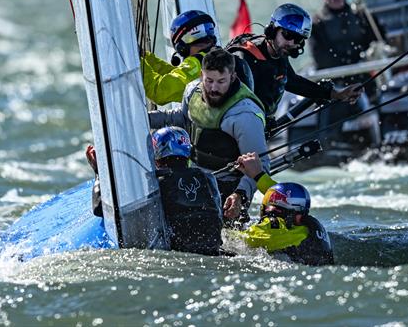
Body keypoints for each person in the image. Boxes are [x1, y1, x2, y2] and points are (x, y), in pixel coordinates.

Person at [148, 48, 268, 223]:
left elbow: (261, 163)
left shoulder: (245, 115)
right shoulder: (192, 91)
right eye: (209, 80)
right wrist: (142, 119)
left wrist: (240, 195)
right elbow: (180, 118)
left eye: (221, 81)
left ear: (232, 77)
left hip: (228, 187)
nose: (213, 88)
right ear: (201, 75)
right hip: (193, 176)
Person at [87, 127, 223, 256]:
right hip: (214, 251)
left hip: (178, 256)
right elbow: (217, 217)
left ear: (156, 154)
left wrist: (99, 173)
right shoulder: (208, 179)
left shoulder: (155, 183)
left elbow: (101, 209)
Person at [228, 3, 361, 119]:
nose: (291, 42)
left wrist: (336, 94)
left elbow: (292, 81)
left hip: (260, 124)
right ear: (272, 30)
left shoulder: (279, 53)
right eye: (288, 35)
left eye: (297, 39)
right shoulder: (244, 57)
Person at [233, 152, 334, 266]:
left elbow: (234, 241)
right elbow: (282, 194)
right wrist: (258, 175)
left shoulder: (274, 228)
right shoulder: (310, 226)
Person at [142, 10, 254, 106]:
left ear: (181, 45)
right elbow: (176, 76)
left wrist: (138, 62)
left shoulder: (197, 63)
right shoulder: (219, 58)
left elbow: (159, 93)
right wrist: (147, 57)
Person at [309, 0, 380, 74]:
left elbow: (375, 43)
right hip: (335, 77)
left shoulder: (361, 16)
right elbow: (321, 59)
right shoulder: (316, 23)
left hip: (362, 73)